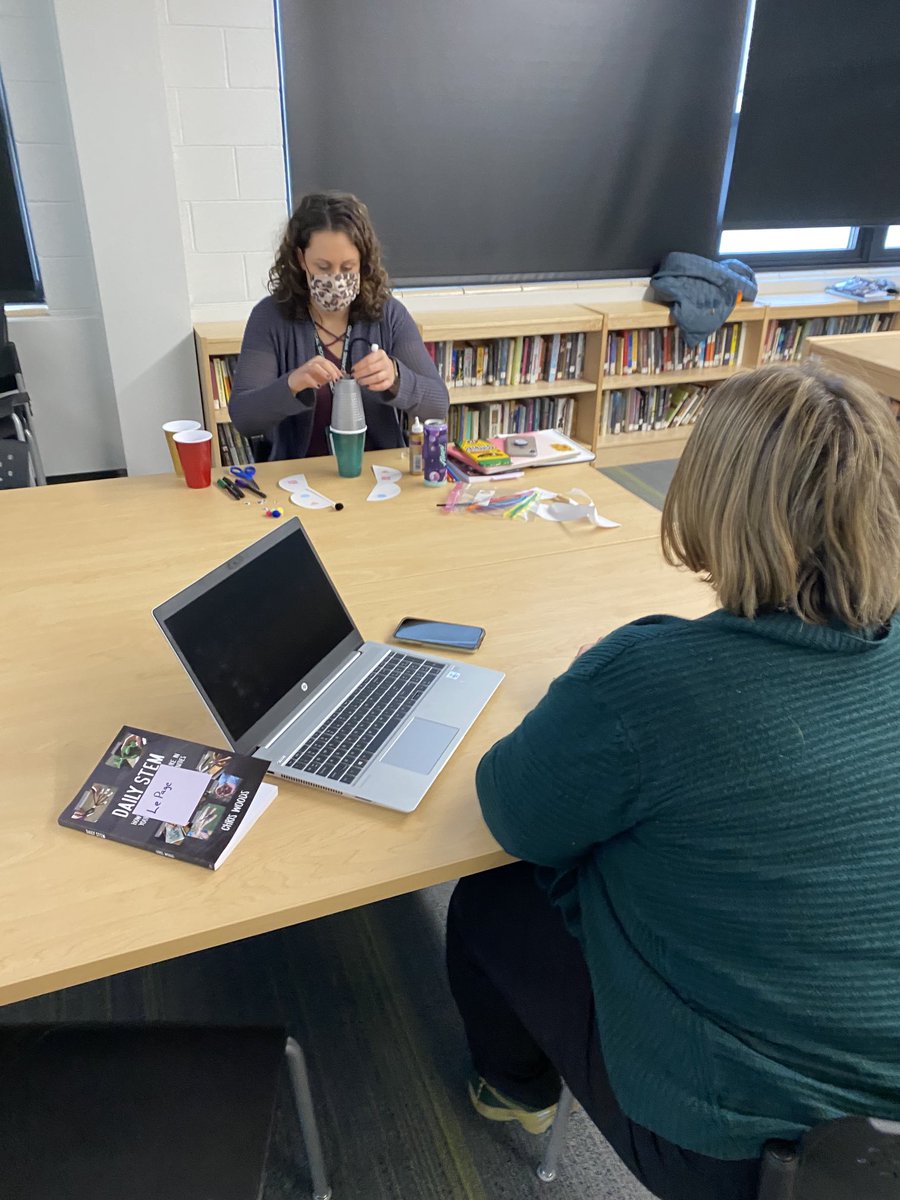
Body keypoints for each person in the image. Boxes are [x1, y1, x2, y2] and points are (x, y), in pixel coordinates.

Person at [446, 362, 900, 1200]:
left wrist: (586, 694)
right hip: (881, 1147)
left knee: (492, 896)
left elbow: (512, 810)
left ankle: (512, 1091)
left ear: (715, 506)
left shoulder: (649, 678)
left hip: (747, 1153)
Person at [229, 192, 449, 460]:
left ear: (363, 262)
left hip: (378, 475)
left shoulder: (388, 314)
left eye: (347, 267)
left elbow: (438, 404)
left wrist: (396, 377)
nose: (336, 279)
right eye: (322, 267)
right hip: (298, 478)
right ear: (300, 259)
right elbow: (244, 418)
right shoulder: (271, 317)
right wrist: (291, 384)